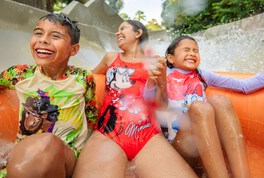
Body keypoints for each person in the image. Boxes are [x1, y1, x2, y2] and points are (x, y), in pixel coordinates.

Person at [147, 35, 264, 178]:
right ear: (170, 57)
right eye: (186, 49)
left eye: (196, 50)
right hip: (179, 146)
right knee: (200, 107)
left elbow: (244, 85)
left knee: (219, 101)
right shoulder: (162, 74)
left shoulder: (202, 75)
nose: (192, 53)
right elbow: (154, 107)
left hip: (204, 144)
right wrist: (158, 83)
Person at [0, 13, 97, 178]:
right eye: (38, 33)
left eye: (55, 36)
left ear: (73, 49)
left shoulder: (82, 78)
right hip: (24, 152)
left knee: (48, 142)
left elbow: (91, 116)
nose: (43, 40)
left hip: (67, 154)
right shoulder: (21, 74)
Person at [73, 20, 197, 178]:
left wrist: (160, 81)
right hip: (108, 132)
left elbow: (161, 105)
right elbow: (87, 77)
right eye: (117, 30)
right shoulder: (110, 58)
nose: (117, 33)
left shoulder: (155, 62)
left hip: (148, 134)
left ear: (138, 33)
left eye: (122, 28)